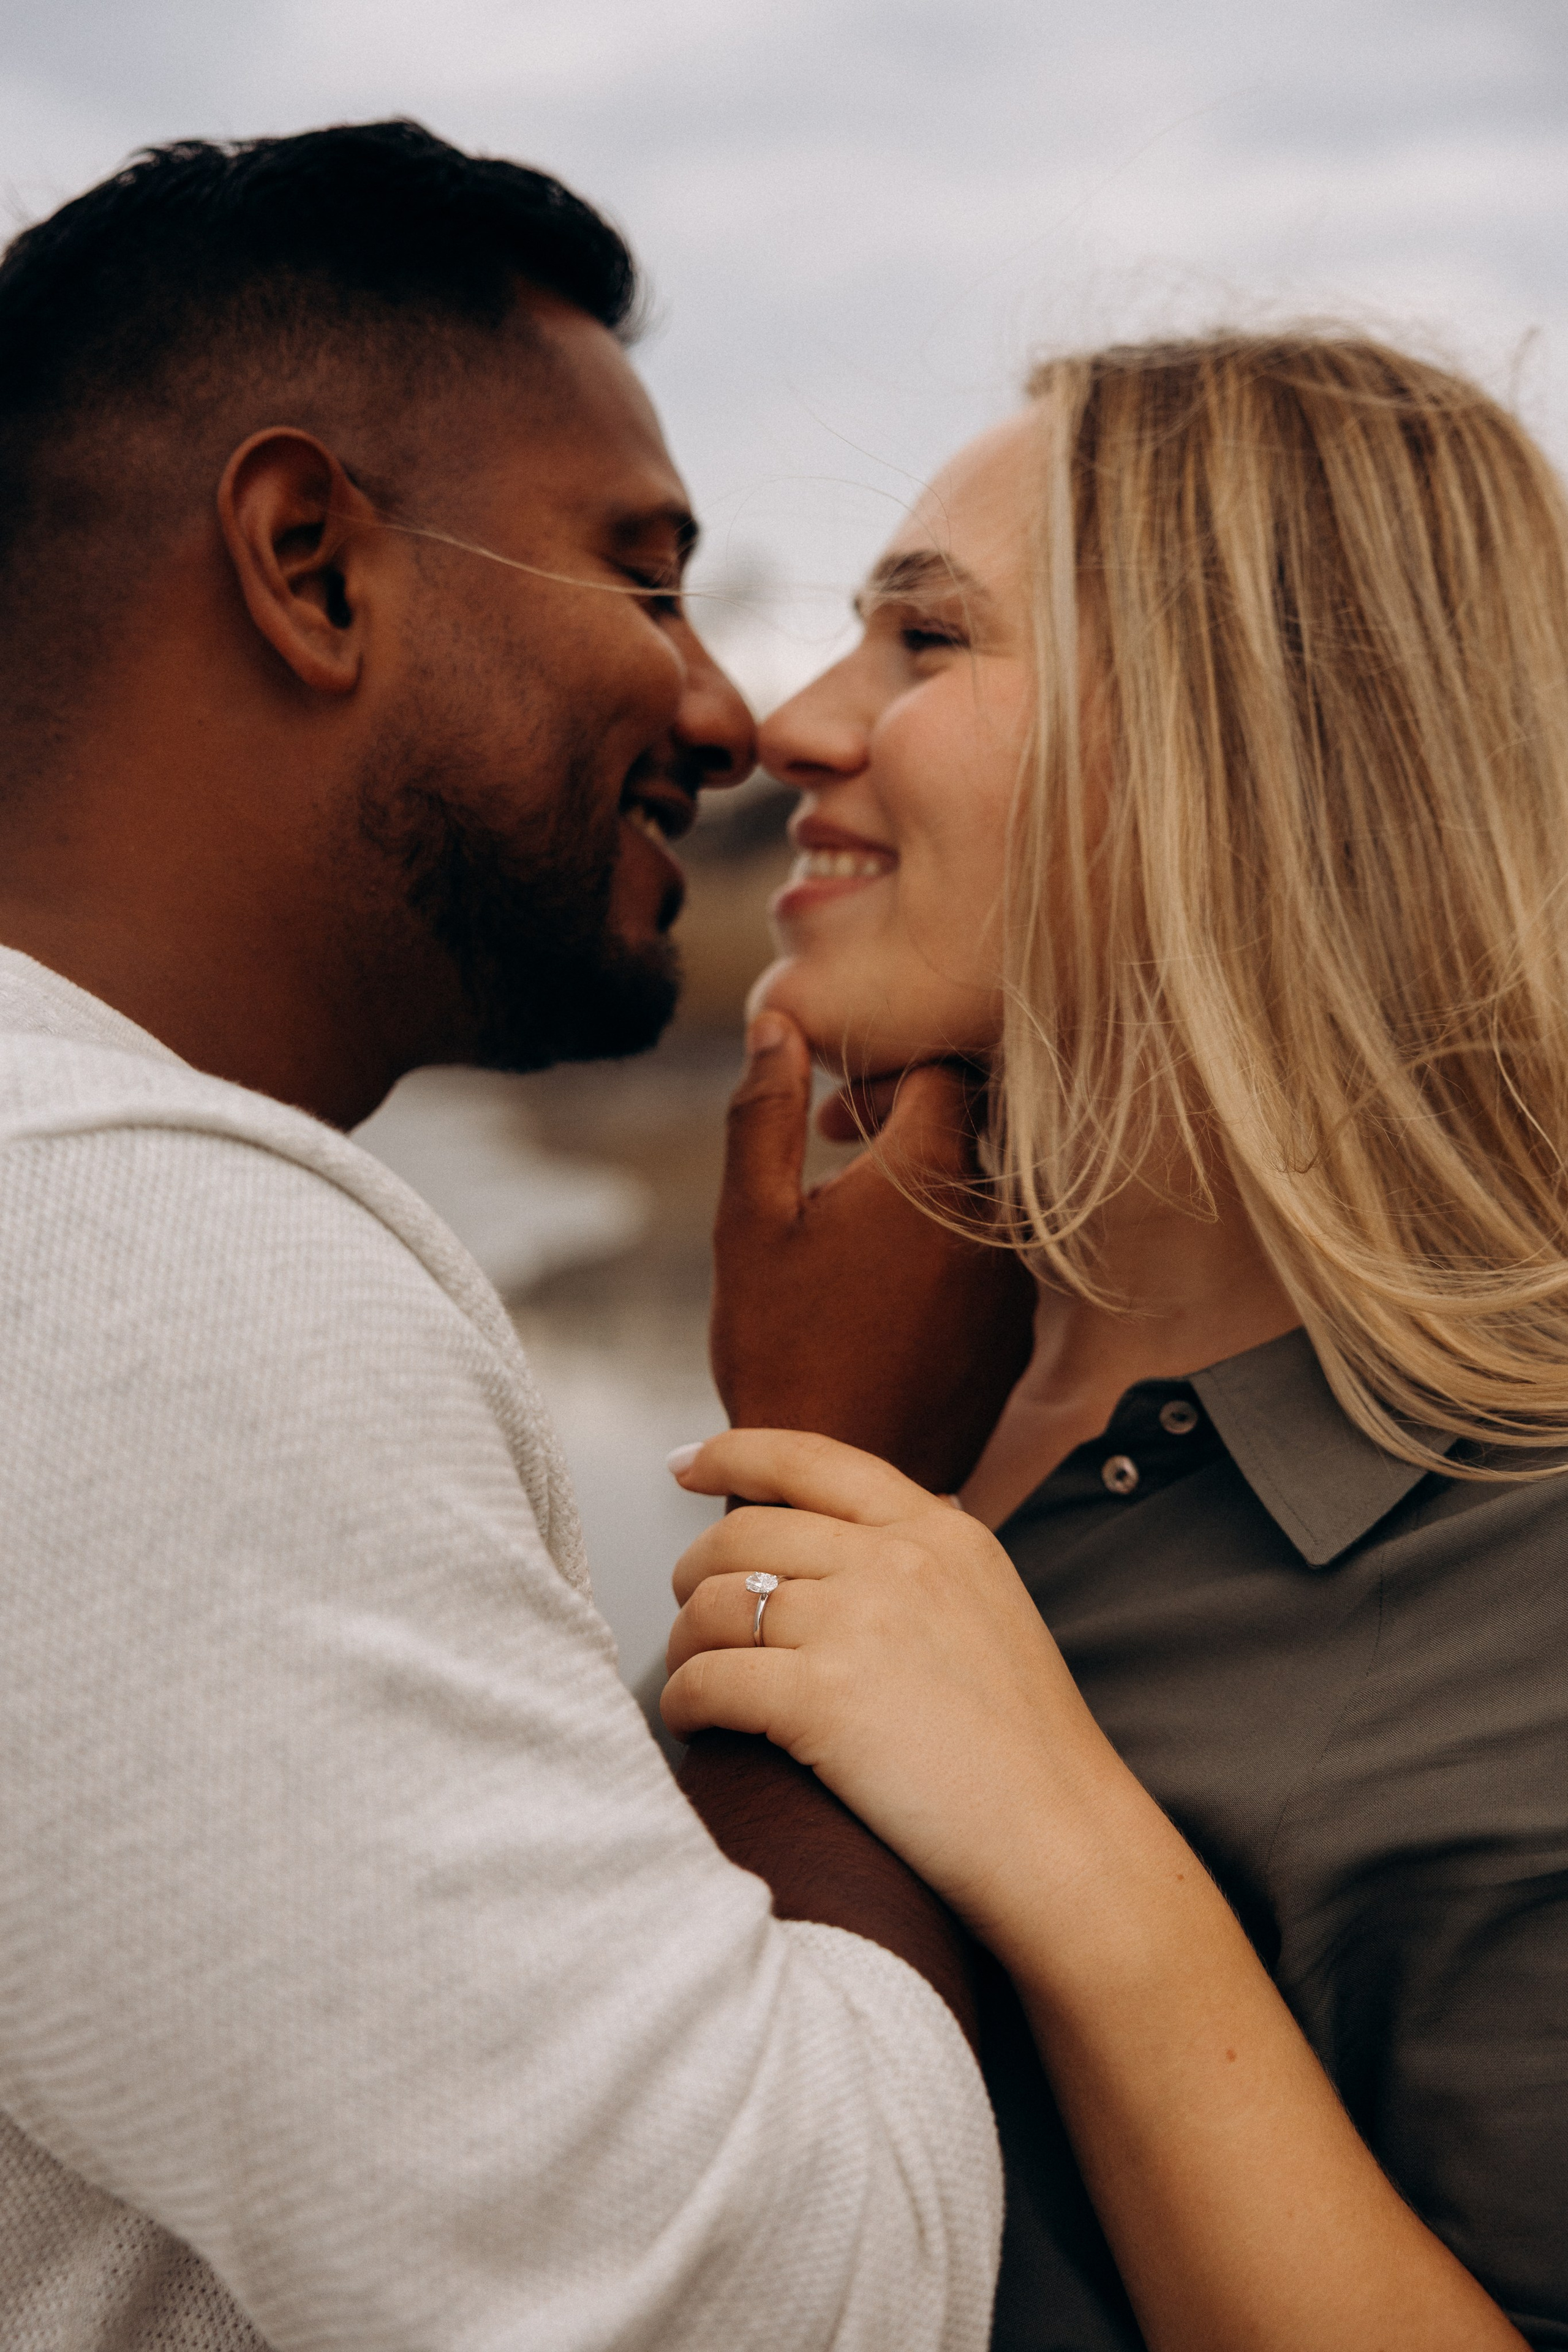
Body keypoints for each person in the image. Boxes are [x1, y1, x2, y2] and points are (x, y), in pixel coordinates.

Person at [0, 120, 1031, 2351]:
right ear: (314, 565)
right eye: (644, 575)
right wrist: (832, 1489)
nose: (732, 709)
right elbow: (771, 2306)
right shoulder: (127, 1259)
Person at [666, 333, 1568, 2350]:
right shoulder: (907, 1396)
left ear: (1253, 747)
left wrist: (1082, 1855)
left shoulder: (1534, 1572)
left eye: (926, 642)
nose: (797, 725)